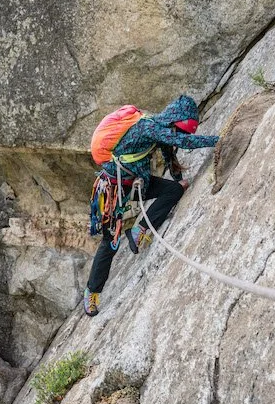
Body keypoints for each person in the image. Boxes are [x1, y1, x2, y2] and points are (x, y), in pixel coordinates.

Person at [83, 95, 218, 317]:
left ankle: (138, 231)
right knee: (111, 243)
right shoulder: (147, 127)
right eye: (179, 130)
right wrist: (218, 139)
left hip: (136, 184)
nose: (178, 135)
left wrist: (178, 179)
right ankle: (92, 292)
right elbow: (184, 142)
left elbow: (170, 154)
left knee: (173, 191)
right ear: (174, 122)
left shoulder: (162, 131)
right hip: (113, 189)